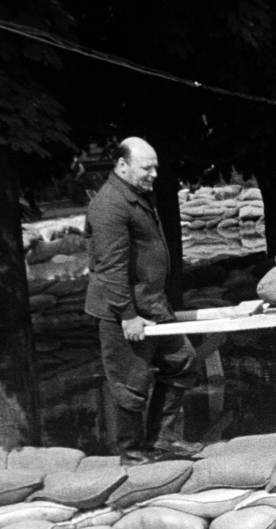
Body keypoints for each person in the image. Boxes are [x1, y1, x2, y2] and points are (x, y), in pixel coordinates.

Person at [85, 136, 199, 463]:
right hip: (124, 309)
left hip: (152, 304)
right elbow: (110, 266)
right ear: (122, 165)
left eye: (156, 168)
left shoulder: (135, 196)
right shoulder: (110, 204)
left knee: (182, 362)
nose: (153, 174)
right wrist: (127, 315)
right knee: (130, 384)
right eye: (146, 167)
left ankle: (163, 440)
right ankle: (133, 455)